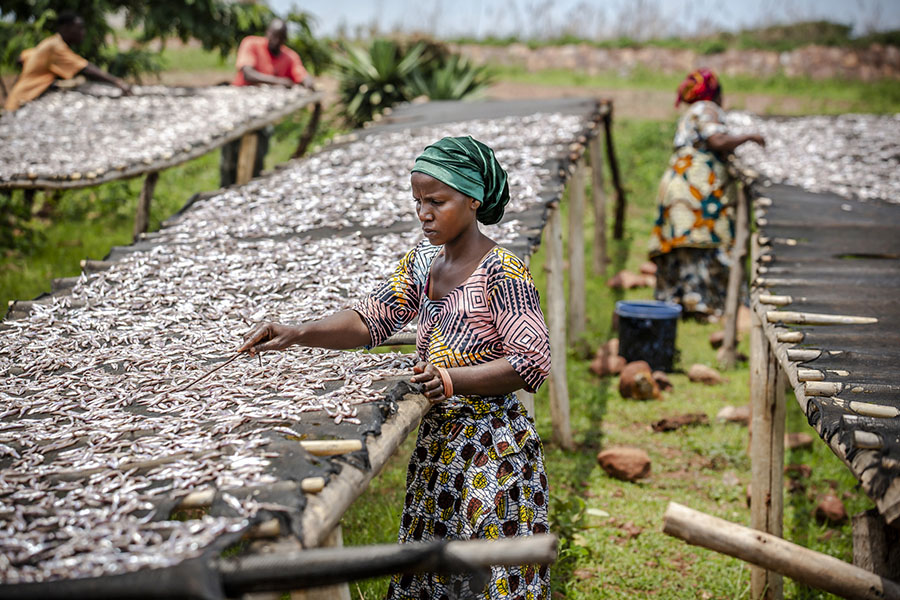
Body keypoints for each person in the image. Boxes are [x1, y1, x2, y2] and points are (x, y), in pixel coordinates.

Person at [239, 136, 552, 600]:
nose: (424, 213)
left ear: (473, 199)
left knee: (487, 576)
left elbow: (531, 362)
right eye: (418, 202)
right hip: (438, 449)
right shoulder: (424, 264)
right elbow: (369, 320)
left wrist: (452, 379)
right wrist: (297, 332)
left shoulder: (502, 271)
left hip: (491, 450)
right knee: (434, 574)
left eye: (437, 201)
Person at [647, 68, 765, 319]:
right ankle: (706, 305)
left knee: (687, 245)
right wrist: (749, 137)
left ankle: (684, 303)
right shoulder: (707, 109)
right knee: (705, 243)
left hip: (680, 185)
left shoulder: (692, 112)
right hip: (696, 191)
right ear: (717, 94)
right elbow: (716, 140)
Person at [219, 19, 315, 187]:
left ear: (285, 39)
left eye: (281, 37)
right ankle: (226, 189)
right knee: (229, 160)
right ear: (267, 33)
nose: (276, 40)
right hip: (237, 110)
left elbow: (301, 75)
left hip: (262, 116)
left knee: (257, 156)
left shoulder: (289, 56)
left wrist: (308, 82)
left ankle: (250, 188)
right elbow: (248, 73)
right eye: (273, 35)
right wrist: (278, 81)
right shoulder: (251, 44)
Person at [3, 11, 131, 113]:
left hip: (17, 99)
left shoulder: (49, 43)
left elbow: (22, 57)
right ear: (65, 28)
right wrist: (117, 82)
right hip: (22, 102)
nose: (83, 32)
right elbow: (85, 69)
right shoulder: (55, 46)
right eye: (79, 28)